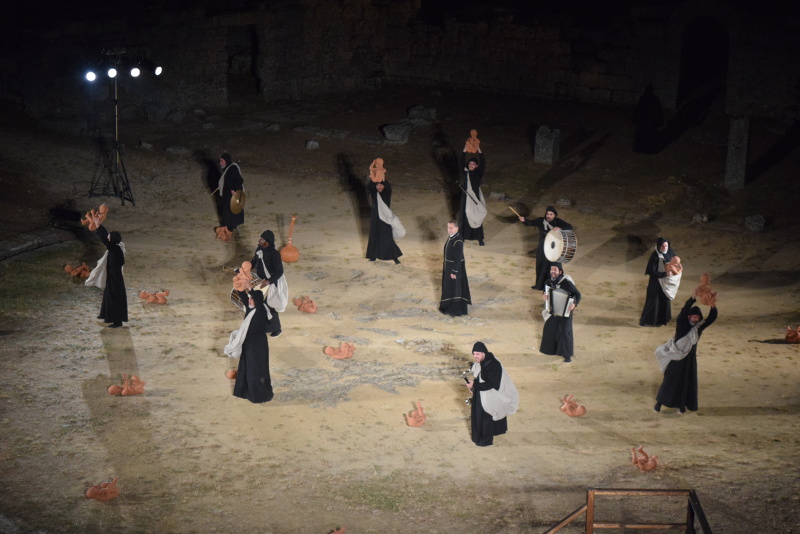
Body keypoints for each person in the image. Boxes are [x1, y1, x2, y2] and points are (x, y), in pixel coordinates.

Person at [654, 290, 717, 413]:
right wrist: (693, 297)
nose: (696, 319)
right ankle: (659, 404)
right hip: (676, 357)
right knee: (669, 381)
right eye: (694, 316)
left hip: (689, 360)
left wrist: (712, 305)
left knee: (685, 383)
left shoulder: (698, 328)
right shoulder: (682, 325)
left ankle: (681, 406)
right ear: (689, 317)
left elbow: (711, 318)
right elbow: (683, 311)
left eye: (698, 317)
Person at [225, 284, 274, 403]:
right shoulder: (250, 309)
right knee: (246, 368)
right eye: (250, 299)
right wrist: (240, 288)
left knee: (255, 370)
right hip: (248, 344)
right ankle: (245, 391)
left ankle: (259, 395)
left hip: (257, 346)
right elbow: (243, 296)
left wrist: (251, 289)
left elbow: (258, 298)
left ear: (257, 301)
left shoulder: (261, 311)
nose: (250, 300)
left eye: (252, 299)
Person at [464, 342, 518, 447]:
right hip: (483, 393)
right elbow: (481, 377)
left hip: (490, 395)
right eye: (474, 354)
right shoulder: (484, 361)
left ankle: (485, 441)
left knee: (484, 417)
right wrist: (474, 387)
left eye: (477, 354)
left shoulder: (493, 365)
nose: (475, 356)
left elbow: (490, 384)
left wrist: (474, 385)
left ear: (483, 353)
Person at [519, 205, 572, 290]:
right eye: (547, 214)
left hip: (554, 248)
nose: (548, 216)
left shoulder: (558, 222)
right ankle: (539, 285)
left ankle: (554, 285)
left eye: (551, 214)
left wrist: (560, 228)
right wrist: (524, 220)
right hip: (542, 247)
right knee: (540, 266)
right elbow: (531, 222)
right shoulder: (541, 220)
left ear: (554, 215)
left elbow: (569, 227)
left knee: (554, 267)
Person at [540, 262, 581, 363]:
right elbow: (545, 292)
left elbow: (577, 295)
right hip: (553, 310)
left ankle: (567, 355)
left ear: (560, 272)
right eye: (551, 269)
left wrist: (574, 304)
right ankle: (551, 350)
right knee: (550, 329)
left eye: (555, 270)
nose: (552, 272)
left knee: (564, 333)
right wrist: (544, 295)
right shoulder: (548, 282)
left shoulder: (566, 283)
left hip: (566, 311)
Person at [91, 216, 128, 328]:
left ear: (112, 239)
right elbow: (106, 236)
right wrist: (99, 225)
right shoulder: (115, 247)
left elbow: (104, 239)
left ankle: (117, 322)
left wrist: (98, 226)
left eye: (110, 236)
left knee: (113, 297)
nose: (108, 236)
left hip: (115, 278)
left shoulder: (114, 248)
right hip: (113, 276)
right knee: (108, 295)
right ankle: (105, 314)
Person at [250, 230, 286, 338]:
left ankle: (276, 328)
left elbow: (279, 271)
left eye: (262, 239)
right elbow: (254, 262)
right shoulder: (259, 250)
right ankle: (264, 326)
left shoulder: (274, 254)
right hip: (260, 281)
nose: (259, 240)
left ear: (267, 242)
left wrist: (269, 281)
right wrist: (244, 268)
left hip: (271, 283)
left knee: (270, 305)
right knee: (259, 304)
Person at [640, 237, 678, 327]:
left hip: (666, 283)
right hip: (656, 283)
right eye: (662, 246)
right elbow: (652, 271)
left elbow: (675, 263)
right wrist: (664, 274)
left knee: (665, 301)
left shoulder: (670, 253)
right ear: (659, 246)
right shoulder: (654, 256)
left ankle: (663, 321)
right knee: (653, 302)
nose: (665, 247)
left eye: (666, 245)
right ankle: (646, 321)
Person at [366, 178, 403, 264]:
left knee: (388, 237)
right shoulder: (374, 193)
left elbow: (388, 186)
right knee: (374, 237)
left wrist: (382, 177)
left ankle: (395, 256)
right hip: (375, 219)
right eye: (378, 185)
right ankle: (373, 256)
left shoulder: (387, 193)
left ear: (384, 186)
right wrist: (374, 178)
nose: (379, 187)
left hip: (385, 219)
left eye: (381, 185)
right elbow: (370, 186)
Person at [439, 220, 471, 316]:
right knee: (449, 288)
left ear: (457, 228)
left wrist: (454, 271)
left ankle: (454, 310)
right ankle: (447, 307)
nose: (449, 230)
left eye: (451, 228)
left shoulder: (458, 240)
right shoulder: (452, 237)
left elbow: (458, 257)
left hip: (454, 269)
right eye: (448, 227)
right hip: (449, 267)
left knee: (455, 289)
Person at [458, 145, 486, 246]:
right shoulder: (465, 172)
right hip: (465, 198)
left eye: (473, 164)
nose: (471, 165)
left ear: (477, 166)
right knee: (465, 216)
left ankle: (480, 238)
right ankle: (463, 237)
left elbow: (483, 162)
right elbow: (461, 161)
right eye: (470, 163)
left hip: (475, 198)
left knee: (476, 216)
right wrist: (465, 149)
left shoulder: (479, 173)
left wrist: (478, 149)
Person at [216, 153, 245, 233]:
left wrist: (236, 191)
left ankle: (228, 230)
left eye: (222, 161)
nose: (220, 163)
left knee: (229, 211)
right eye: (220, 161)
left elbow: (239, 180)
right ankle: (230, 228)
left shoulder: (233, 168)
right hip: (228, 193)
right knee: (229, 212)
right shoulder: (228, 168)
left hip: (232, 194)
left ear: (226, 161)